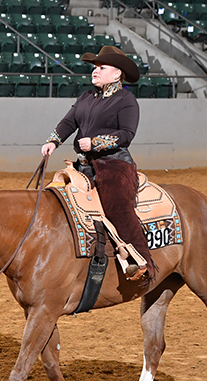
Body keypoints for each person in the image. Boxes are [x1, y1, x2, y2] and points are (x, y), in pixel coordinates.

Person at [41, 45, 155, 281]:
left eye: (101, 67)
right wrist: (54, 140)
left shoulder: (126, 100)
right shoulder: (85, 97)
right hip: (83, 166)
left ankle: (141, 261)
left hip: (115, 165)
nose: (95, 71)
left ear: (117, 74)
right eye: (94, 67)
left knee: (117, 207)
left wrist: (95, 143)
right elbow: (68, 122)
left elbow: (126, 134)